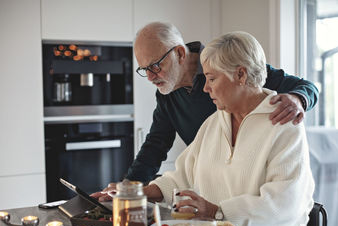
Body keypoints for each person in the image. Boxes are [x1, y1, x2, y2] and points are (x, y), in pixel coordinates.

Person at [91, 21, 318, 200]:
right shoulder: (172, 97)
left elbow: (306, 87)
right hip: (215, 195)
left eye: (154, 66)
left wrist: (299, 98)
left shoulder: (231, 65)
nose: (150, 77)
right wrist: (130, 191)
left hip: (252, 199)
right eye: (144, 69)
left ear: (180, 53)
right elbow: (156, 148)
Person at [138, 31, 314, 226]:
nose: (205, 87)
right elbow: (181, 177)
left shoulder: (285, 124)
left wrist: (216, 212)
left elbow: (284, 204)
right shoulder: (214, 123)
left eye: (212, 78)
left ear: (241, 75)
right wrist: (134, 194)